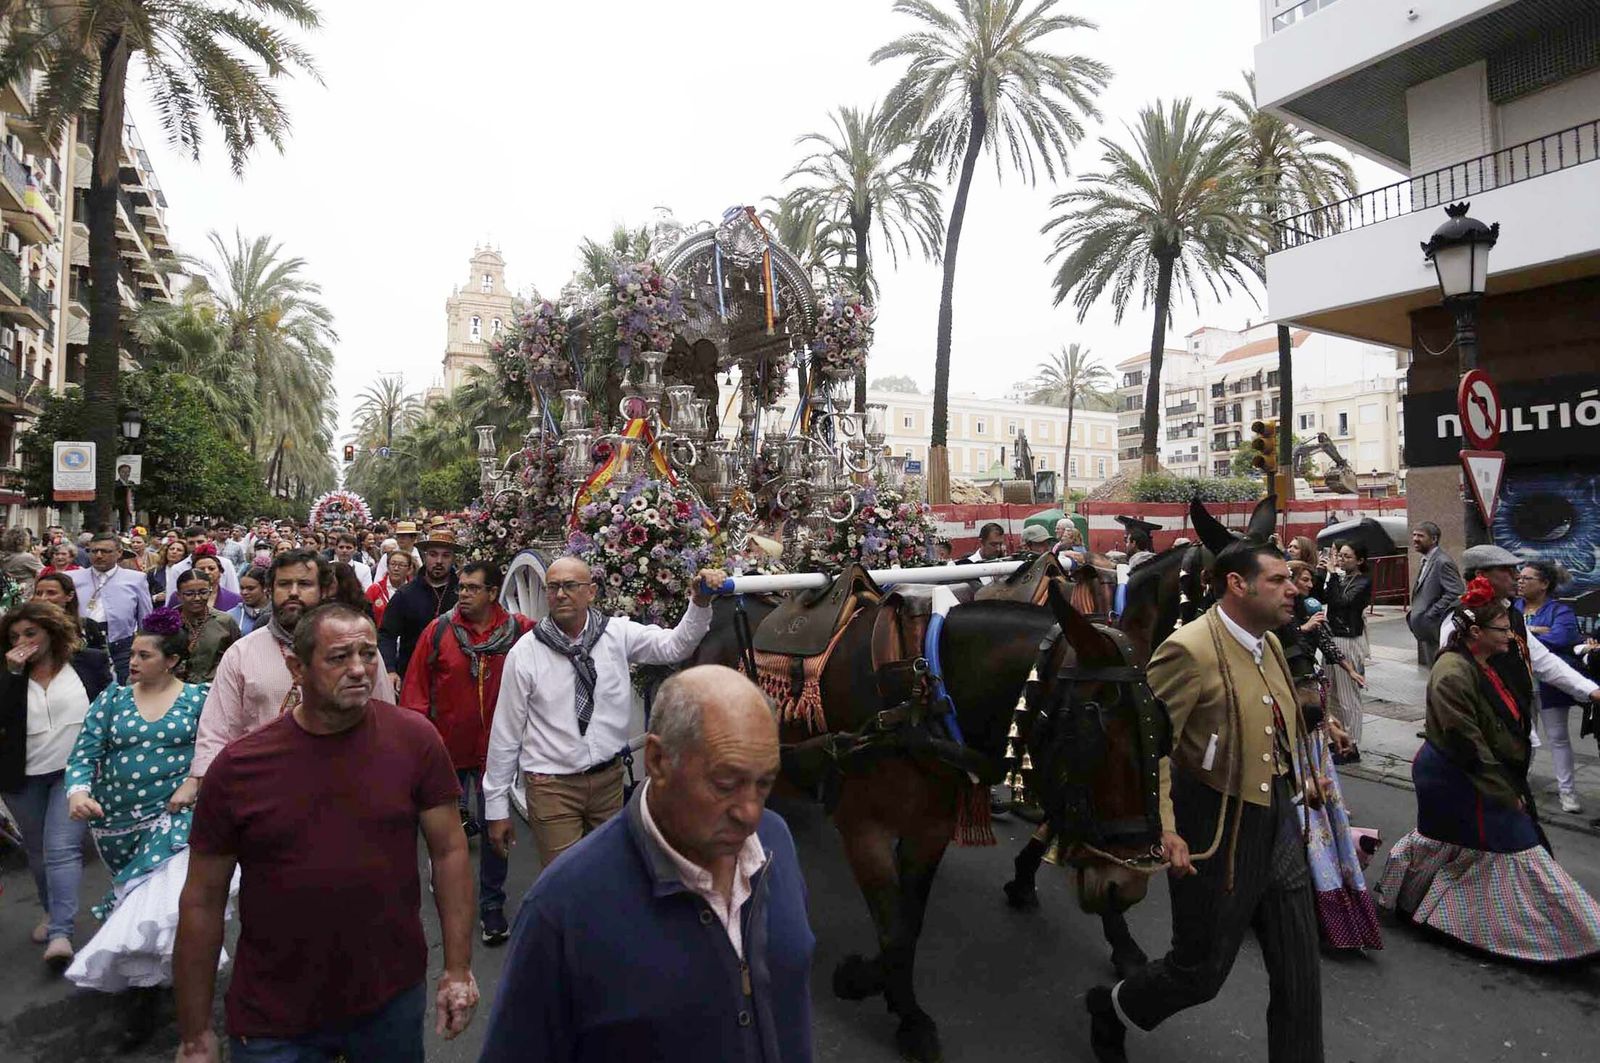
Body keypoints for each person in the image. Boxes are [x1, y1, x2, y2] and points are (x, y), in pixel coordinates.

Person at [172, 604, 479, 1062]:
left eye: (368, 654)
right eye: (339, 658)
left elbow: (451, 851)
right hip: (274, 1015)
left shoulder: (415, 739)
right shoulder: (239, 767)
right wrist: (195, 1033)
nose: (359, 670)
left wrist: (458, 970)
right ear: (297, 667)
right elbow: (202, 899)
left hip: (389, 999)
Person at [478, 665, 812, 1063]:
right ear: (657, 759)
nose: (751, 813)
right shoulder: (562, 909)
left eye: (764, 783)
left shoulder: (776, 842)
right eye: (726, 784)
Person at [1086, 542, 1320, 1063]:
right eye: (1280, 580)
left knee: (1300, 969)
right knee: (1198, 973)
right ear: (1238, 584)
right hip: (1213, 827)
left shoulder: (1273, 643)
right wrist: (1164, 827)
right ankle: (1114, 1008)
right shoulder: (1188, 650)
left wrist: (1304, 771)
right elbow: (1147, 746)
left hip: (1276, 816)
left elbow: (1277, 718)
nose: (1294, 589)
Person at [1376, 580, 1600, 961]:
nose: (1512, 636)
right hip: (1457, 776)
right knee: (1514, 845)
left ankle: (1429, 911)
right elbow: (1468, 744)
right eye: (1503, 630)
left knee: (1476, 847)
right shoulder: (1453, 673)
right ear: (1475, 632)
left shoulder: (1488, 661)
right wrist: (1503, 789)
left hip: (1476, 772)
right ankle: (1582, 936)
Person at [483, 556, 725, 872]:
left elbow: (673, 647)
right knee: (565, 884)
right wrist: (496, 807)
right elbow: (506, 732)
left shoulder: (616, 633)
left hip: (608, 782)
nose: (560, 594)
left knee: (611, 877)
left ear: (592, 592)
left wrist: (700, 602)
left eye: (570, 586)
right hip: (552, 787)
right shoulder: (525, 653)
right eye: (553, 587)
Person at [62, 612, 216, 1049]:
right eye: (132, 653)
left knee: (158, 906)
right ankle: (157, 979)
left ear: (171, 661)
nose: (132, 661)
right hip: (115, 825)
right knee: (132, 903)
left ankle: (156, 999)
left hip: (175, 822)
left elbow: (216, 749)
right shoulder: (111, 700)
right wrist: (77, 793)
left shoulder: (199, 700)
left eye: (144, 655)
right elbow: (83, 754)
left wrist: (194, 782)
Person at [184, 550, 396, 797]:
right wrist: (205, 781)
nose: (293, 592)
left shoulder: (360, 650)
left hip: (346, 784)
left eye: (304, 583)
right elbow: (217, 728)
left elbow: (384, 716)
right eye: (284, 584)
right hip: (263, 788)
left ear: (324, 590)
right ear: (270, 590)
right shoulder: (242, 653)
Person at [400, 560, 534, 945]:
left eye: (473, 588)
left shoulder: (520, 632)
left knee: (496, 829)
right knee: (449, 831)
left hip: (498, 750)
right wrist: (419, 744)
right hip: (447, 750)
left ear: (493, 593)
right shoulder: (439, 631)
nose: (463, 594)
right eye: (461, 588)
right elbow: (416, 689)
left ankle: (492, 905)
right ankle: (451, 893)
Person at [0, 602, 115, 967]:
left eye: (31, 633)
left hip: (74, 773)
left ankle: (61, 932)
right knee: (37, 850)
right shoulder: (7, 673)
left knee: (62, 847)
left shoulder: (88, 662)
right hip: (22, 775)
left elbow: (109, 709)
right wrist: (13, 674)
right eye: (15, 636)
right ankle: (51, 911)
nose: (23, 641)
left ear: (50, 631)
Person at [1278, 562, 1382, 951]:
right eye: (1287, 582)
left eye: (1299, 583)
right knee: (1301, 826)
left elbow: (1308, 675)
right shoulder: (1272, 631)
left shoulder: (1295, 622)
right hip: (1288, 745)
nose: (1295, 590)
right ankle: (1299, 910)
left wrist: (1330, 721)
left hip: (1312, 741)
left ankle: (1332, 909)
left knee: (1323, 822)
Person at [1514, 560, 1583, 814]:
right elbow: (1505, 635)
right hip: (1519, 683)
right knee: (1522, 737)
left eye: (1526, 578)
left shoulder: (1559, 611)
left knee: (1558, 738)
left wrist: (1526, 633)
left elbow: (1562, 637)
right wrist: (1537, 630)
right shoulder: (1514, 606)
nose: (1519, 582)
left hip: (1549, 686)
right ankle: (1520, 784)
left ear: (1544, 584)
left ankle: (1568, 793)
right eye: (1519, 578)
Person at [70, 529, 154, 683]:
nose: (99, 555)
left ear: (119, 553)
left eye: (106, 551)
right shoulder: (73, 578)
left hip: (122, 647)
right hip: (81, 645)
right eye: (94, 551)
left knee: (122, 689)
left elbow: (145, 619)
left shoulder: (136, 579)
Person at [379, 527, 460, 681]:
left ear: (453, 559)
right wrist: (389, 669)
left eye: (446, 555)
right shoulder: (405, 594)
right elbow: (387, 635)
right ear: (425, 556)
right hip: (411, 675)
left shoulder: (463, 594)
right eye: (433, 554)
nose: (439, 561)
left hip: (453, 678)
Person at [1321, 541, 1372, 764]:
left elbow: (1342, 601)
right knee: (1330, 693)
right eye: (1339, 556)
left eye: (1347, 557)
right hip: (1331, 637)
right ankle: (1338, 740)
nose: (1341, 560)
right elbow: (1325, 597)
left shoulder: (1363, 580)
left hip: (1347, 639)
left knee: (1347, 695)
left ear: (1360, 560)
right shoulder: (1341, 577)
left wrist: (1332, 575)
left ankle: (1351, 745)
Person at [1406, 522, 1463, 667]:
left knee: (1438, 669)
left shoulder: (1442, 562)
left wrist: (1432, 613)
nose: (1415, 539)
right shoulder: (1426, 560)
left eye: (1420, 536)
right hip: (1426, 630)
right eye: (1414, 535)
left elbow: (1456, 591)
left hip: (1435, 629)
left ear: (1434, 539)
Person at [172, 569, 243, 684]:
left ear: (210, 591)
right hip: (175, 692)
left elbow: (238, 659)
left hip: (214, 689)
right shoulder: (167, 622)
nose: (197, 598)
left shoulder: (225, 621)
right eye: (189, 594)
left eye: (203, 592)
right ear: (179, 596)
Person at [33, 571, 108, 651]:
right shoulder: (26, 626)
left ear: (69, 596)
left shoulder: (88, 626)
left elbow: (103, 660)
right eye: (38, 593)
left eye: (51, 593)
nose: (43, 598)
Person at [165, 526, 240, 600]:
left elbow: (234, 593)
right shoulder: (178, 569)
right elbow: (172, 599)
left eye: (200, 542)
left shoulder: (225, 563)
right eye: (191, 543)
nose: (196, 546)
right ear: (186, 544)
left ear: (208, 540)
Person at [367, 548, 413, 627]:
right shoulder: (375, 589)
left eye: (401, 565)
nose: (396, 568)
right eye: (393, 564)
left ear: (409, 569)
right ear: (387, 567)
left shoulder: (414, 590)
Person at [373, 519, 422, 583]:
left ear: (413, 538)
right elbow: (378, 579)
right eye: (398, 536)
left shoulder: (422, 556)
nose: (400, 539)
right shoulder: (388, 556)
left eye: (404, 536)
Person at [3, 525, 43, 598]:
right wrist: (37, 557)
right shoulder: (26, 557)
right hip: (26, 594)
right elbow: (44, 573)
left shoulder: (5, 556)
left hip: (10, 593)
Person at [228, 566, 270, 637]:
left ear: (265, 588)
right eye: (242, 588)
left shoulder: (278, 614)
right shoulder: (231, 617)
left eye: (250, 589)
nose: (244, 592)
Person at [150, 539, 187, 608]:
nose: (174, 552)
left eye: (179, 550)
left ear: (184, 555)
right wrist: (155, 598)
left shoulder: (186, 571)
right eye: (172, 549)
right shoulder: (154, 571)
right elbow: (144, 594)